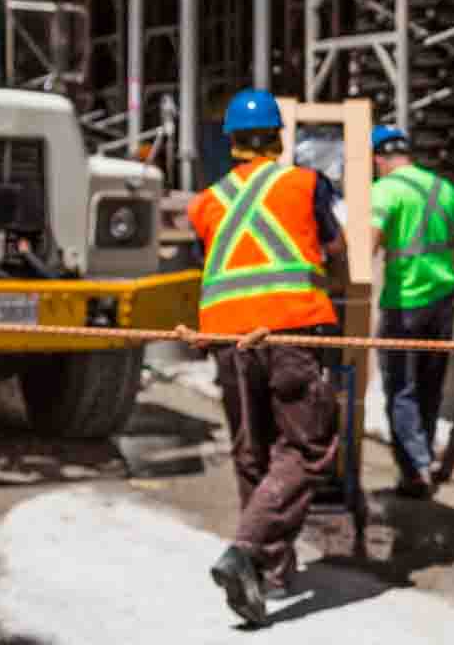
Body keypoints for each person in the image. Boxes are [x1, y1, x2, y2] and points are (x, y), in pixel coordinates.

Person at [187, 88, 347, 628]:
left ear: (231, 141)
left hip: (230, 341)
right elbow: (335, 246)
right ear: (280, 138)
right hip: (289, 331)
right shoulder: (304, 183)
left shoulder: (206, 202)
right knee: (307, 449)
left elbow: (210, 265)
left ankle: (270, 572)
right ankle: (247, 549)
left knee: (252, 451)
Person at [368, 124, 454, 497]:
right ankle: (425, 455)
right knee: (431, 384)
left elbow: (370, 242)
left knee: (401, 387)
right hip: (443, 302)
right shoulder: (445, 190)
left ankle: (414, 470)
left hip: (404, 304)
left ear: (379, 159)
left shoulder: (384, 191)